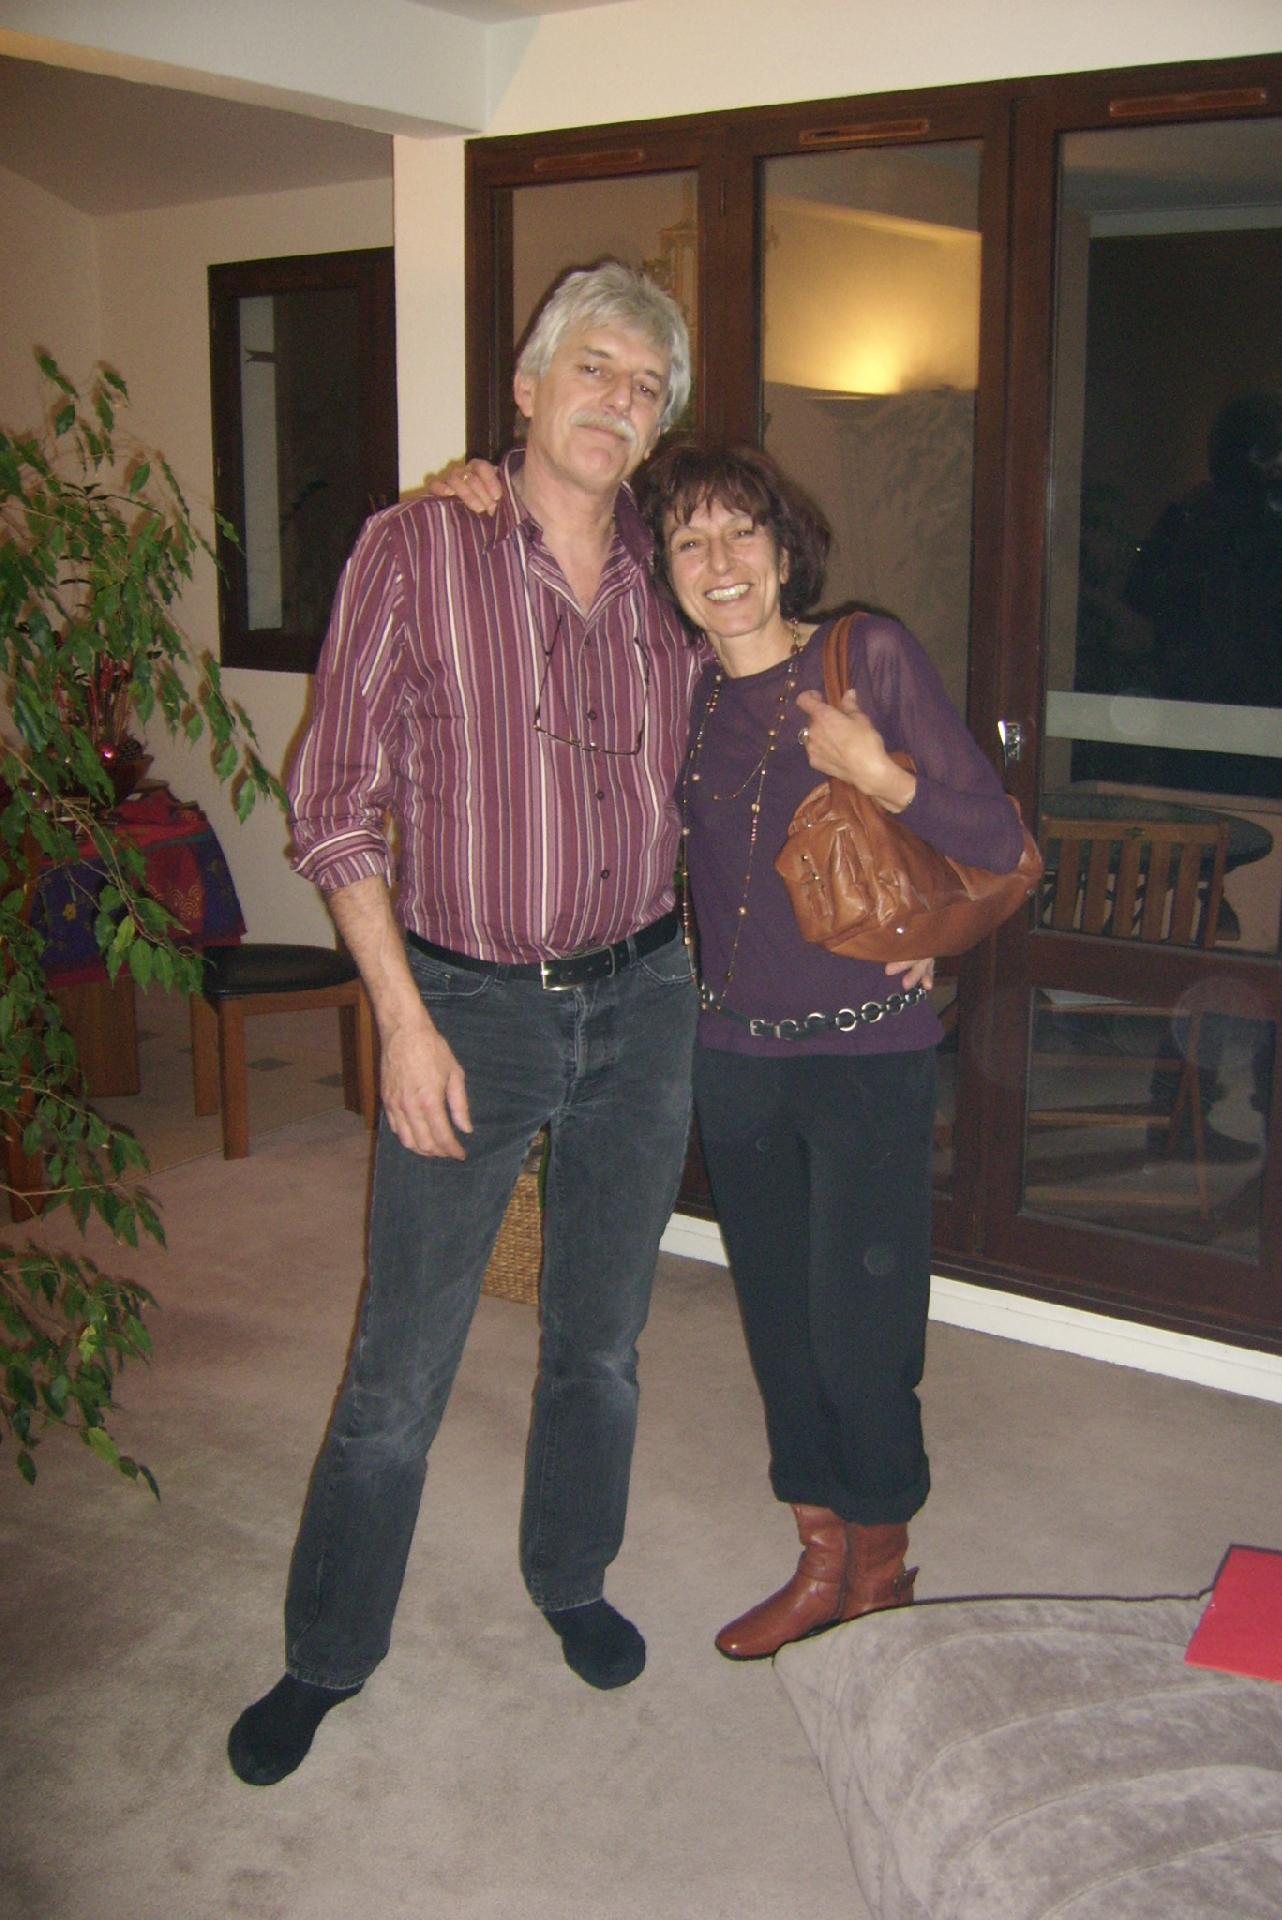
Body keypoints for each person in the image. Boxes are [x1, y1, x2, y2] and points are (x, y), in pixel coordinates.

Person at [227, 263, 702, 1787]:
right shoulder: (416, 545)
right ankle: (327, 1653)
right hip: (469, 1007)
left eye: (645, 387)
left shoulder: (677, 575)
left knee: (602, 1342)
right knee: (401, 1363)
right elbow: (332, 802)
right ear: (528, 384)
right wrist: (402, 1020)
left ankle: (571, 1576)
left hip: (647, 998)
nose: (616, 401)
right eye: (595, 368)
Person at [633, 444, 1026, 1659]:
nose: (720, 562)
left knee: (864, 1336)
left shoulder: (868, 658)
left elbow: (1001, 841)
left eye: (740, 532)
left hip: (866, 1057)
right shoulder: (684, 694)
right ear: (667, 571)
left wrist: (883, 777)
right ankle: (819, 1555)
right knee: (781, 1329)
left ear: (783, 545)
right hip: (734, 1057)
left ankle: (881, 1568)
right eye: (689, 541)